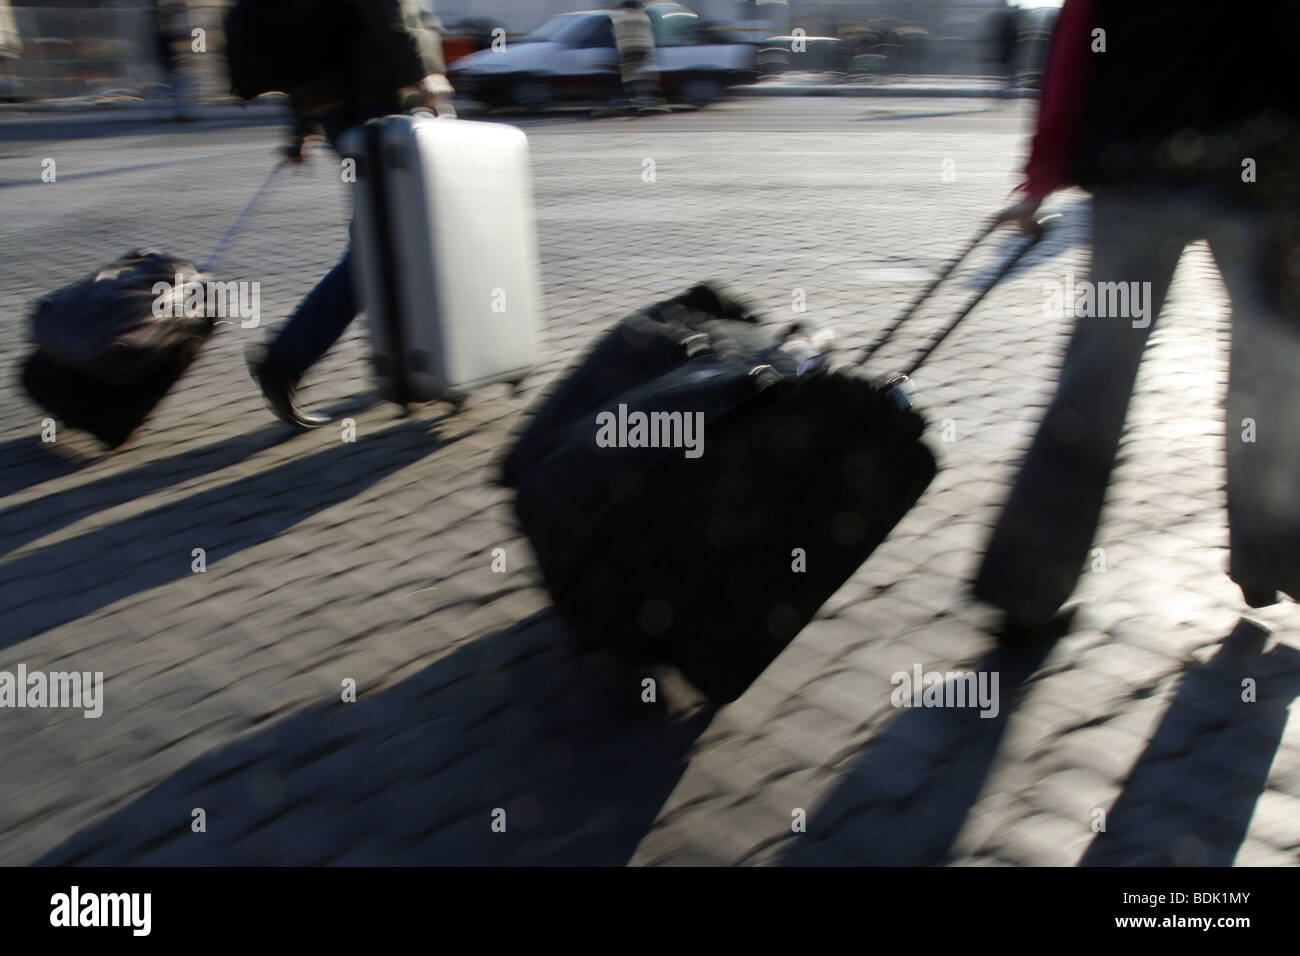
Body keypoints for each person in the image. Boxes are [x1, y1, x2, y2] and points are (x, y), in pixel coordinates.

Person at [972, 0, 1300, 639]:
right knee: (1270, 379)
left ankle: (1026, 586)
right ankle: (1272, 558)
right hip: (1259, 180)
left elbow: (1077, 42)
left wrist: (1041, 174)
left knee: (1096, 380)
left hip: (1136, 173)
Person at [246, 0, 452, 429]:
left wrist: (303, 124)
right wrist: (419, 71)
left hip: (341, 106)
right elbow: (385, 10)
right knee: (383, 247)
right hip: (378, 99)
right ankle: (285, 360)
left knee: (392, 240)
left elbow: (303, 35)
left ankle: (421, 364)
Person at [607, 0, 666, 114]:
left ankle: (635, 100)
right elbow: (650, 31)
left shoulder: (617, 18)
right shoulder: (644, 17)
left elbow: (613, 33)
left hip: (626, 48)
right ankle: (649, 100)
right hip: (643, 47)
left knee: (629, 76)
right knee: (644, 74)